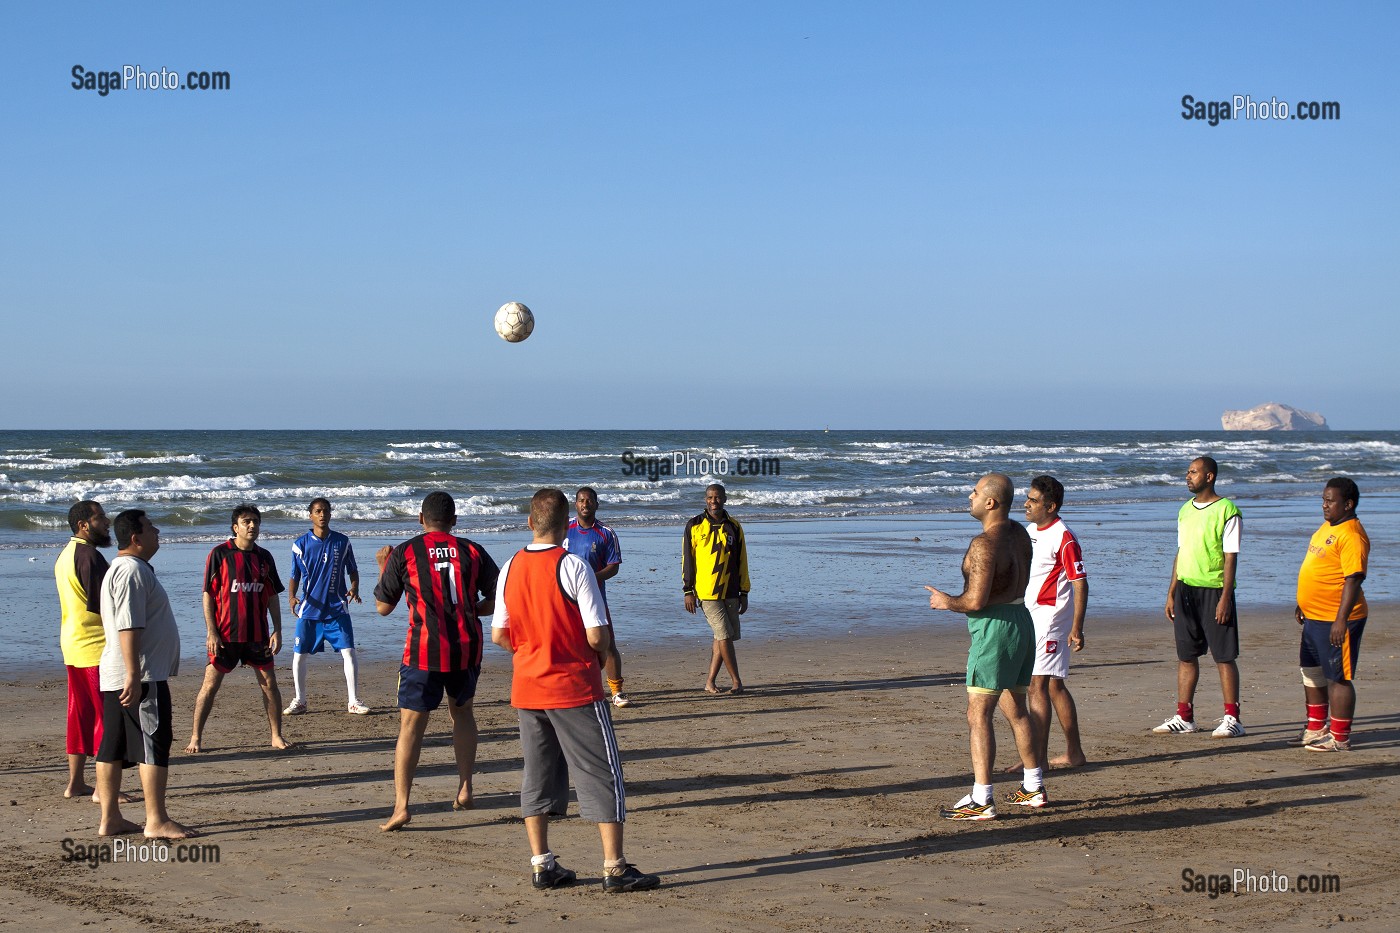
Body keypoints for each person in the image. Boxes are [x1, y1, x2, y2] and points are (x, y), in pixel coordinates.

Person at [491, 488, 660, 893]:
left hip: (528, 685)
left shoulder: (510, 565)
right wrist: (583, 650)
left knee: (537, 774)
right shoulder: (573, 565)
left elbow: (499, 634)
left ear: (530, 522)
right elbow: (598, 634)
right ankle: (614, 866)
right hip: (573, 686)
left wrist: (530, 647)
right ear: (565, 524)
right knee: (602, 772)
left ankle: (541, 862)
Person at [373, 491, 499, 831]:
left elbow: (383, 607)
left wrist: (384, 566)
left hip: (423, 651)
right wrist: (473, 609)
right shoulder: (472, 550)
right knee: (463, 714)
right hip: (466, 647)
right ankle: (465, 787)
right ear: (454, 520)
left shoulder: (406, 551)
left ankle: (402, 806)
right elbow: (500, 595)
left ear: (420, 518)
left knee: (411, 726)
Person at [925, 473, 1042, 821]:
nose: (970, 496)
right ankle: (1033, 787)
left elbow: (975, 600)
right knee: (1016, 709)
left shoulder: (983, 543)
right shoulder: (1020, 532)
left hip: (995, 629)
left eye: (975, 492)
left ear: (990, 502)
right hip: (1021, 620)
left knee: (978, 714)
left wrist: (948, 601)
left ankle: (982, 798)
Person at [96, 509, 193, 839]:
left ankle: (110, 818)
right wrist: (134, 675)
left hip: (121, 673)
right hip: (139, 676)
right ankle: (156, 820)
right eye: (151, 527)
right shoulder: (130, 571)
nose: (157, 531)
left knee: (113, 746)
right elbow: (129, 625)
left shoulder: (122, 569)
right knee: (154, 744)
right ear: (136, 538)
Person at [186, 504, 291, 753]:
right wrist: (211, 631)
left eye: (255, 521)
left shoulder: (264, 557)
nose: (252, 526)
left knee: (269, 684)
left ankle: (276, 735)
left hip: (257, 635)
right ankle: (195, 737)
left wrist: (277, 629)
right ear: (236, 527)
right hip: (225, 636)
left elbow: (273, 595)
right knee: (210, 686)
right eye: (246, 522)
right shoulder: (219, 554)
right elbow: (208, 595)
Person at [1156, 457, 1244, 738]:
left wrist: (1225, 598)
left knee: (1223, 656)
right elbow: (1181, 552)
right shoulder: (1184, 510)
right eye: (1187, 472)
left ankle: (1232, 718)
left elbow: (1231, 558)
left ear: (1209, 476)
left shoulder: (1227, 510)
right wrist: (1171, 591)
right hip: (1186, 590)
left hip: (1215, 590)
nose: (1187, 476)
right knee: (1186, 655)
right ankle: (1184, 717)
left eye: (1193, 472)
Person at [1294, 477, 1370, 753]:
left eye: (1330, 501)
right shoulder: (1328, 527)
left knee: (1338, 677)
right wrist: (1303, 602)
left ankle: (1339, 737)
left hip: (1338, 620)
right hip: (1313, 616)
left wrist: (1341, 620)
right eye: (1323, 500)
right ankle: (1316, 728)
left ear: (1348, 504)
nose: (1324, 505)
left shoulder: (1351, 534)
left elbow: (1353, 579)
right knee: (1311, 672)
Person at [1022, 475, 1089, 769]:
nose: (1026, 504)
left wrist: (1077, 627)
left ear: (1050, 506)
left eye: (1033, 500)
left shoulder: (1065, 537)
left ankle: (1038, 760)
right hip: (1029, 615)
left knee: (1037, 685)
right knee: (1054, 686)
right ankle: (1074, 753)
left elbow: (1080, 583)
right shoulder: (1029, 530)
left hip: (1050, 618)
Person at [284, 498, 367, 716]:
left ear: (330, 514)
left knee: (349, 651)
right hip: (310, 609)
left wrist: (354, 588)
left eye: (326, 511)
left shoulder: (342, 542)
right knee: (299, 654)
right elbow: (294, 575)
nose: (322, 515)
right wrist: (292, 597)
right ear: (310, 515)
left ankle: (353, 701)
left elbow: (353, 571)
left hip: (337, 608)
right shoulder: (300, 544)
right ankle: (300, 700)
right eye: (318, 511)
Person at [55, 500, 112, 800]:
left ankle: (75, 783)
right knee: (105, 717)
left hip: (73, 646)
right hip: (95, 648)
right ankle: (103, 789)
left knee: (79, 715)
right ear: (83, 525)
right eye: (100, 517)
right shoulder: (90, 556)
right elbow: (104, 606)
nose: (107, 522)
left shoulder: (65, 554)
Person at [565, 486, 630, 707]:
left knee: (607, 643)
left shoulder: (606, 533)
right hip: (566, 600)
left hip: (595, 599)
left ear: (596, 504)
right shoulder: (564, 529)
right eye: (581, 500)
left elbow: (613, 566)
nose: (585, 504)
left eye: (589, 500)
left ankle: (617, 691)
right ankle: (575, 689)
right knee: (570, 644)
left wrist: (591, 578)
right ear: (576, 504)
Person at [682, 484, 750, 694]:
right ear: (705, 500)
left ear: (725, 499)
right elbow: (687, 560)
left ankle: (709, 682)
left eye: (718, 497)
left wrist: (744, 592)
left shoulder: (734, 526)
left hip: (730, 590)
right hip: (706, 592)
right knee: (724, 636)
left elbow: (742, 561)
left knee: (722, 636)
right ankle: (736, 681)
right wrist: (688, 591)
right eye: (710, 497)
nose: (714, 501)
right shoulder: (694, 525)